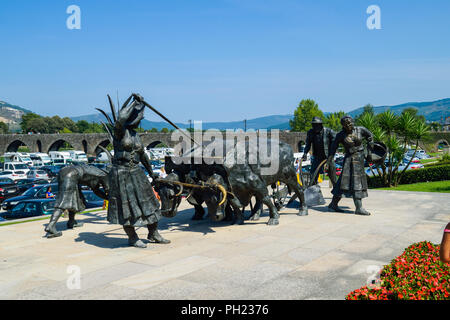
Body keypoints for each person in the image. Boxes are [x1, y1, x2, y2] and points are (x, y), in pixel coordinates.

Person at [103, 93, 170, 248]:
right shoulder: (120, 132)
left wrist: (151, 172)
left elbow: (143, 155)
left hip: (136, 172)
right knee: (126, 208)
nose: (140, 121)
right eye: (139, 117)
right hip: (121, 173)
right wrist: (134, 102)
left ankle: (153, 233)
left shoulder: (136, 135)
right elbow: (120, 118)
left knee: (151, 204)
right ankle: (132, 237)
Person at [45, 164, 109, 238]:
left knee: (76, 200)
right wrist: (108, 198)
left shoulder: (97, 171)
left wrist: (106, 198)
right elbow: (107, 190)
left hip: (66, 172)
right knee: (63, 201)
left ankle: (71, 222)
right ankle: (51, 226)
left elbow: (96, 190)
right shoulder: (104, 175)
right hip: (72, 174)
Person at [327, 115, 373, 215]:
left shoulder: (360, 129)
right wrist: (329, 161)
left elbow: (370, 136)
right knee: (346, 182)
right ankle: (358, 208)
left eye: (350, 122)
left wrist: (369, 151)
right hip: (349, 160)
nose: (349, 125)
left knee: (354, 182)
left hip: (359, 158)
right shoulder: (340, 135)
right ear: (343, 126)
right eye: (346, 124)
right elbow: (333, 148)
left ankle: (333, 204)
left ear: (353, 121)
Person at [302, 117, 337, 185]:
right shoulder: (310, 132)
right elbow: (308, 144)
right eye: (313, 125)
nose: (314, 127)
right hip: (317, 157)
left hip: (328, 157)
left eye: (316, 125)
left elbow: (335, 144)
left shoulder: (329, 132)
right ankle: (313, 191)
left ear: (320, 125)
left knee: (333, 177)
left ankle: (337, 192)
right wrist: (305, 153)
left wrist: (330, 156)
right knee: (313, 176)